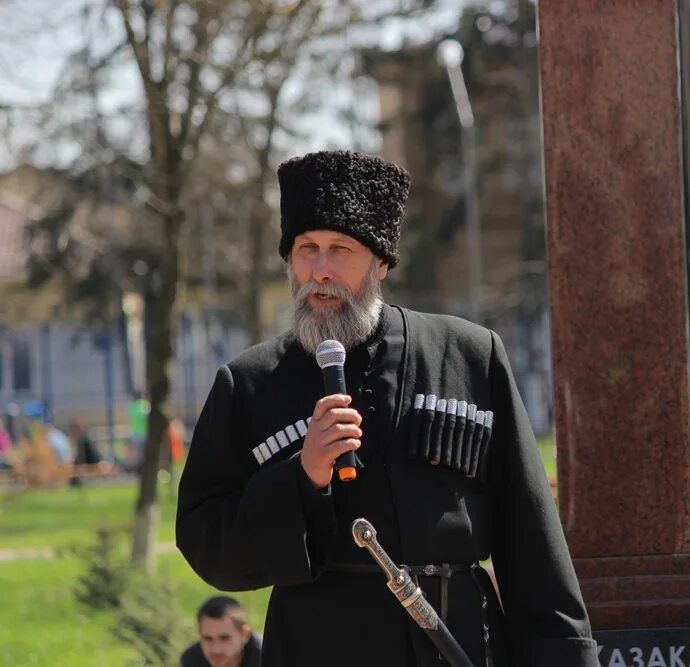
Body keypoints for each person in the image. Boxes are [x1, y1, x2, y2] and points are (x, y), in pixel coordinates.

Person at [176, 150, 597, 666]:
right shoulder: (248, 383)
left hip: (455, 640)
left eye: (340, 249)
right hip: (320, 646)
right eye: (307, 249)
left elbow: (530, 538)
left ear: (381, 263)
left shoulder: (469, 354)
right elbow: (206, 543)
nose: (321, 271)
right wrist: (300, 479)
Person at [180, 596, 261, 667]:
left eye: (224, 638)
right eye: (208, 638)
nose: (216, 649)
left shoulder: (267, 658)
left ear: (245, 635)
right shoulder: (192, 660)